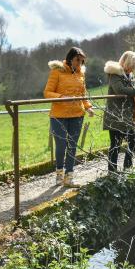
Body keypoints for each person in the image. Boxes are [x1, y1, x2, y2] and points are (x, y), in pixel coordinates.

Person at [44, 47, 95, 188]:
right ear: (70, 58)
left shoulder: (81, 74)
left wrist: (88, 106)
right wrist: (61, 97)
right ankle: (59, 176)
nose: (80, 63)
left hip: (77, 115)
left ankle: (69, 177)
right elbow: (47, 92)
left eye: (82, 61)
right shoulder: (57, 71)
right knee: (61, 145)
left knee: (72, 146)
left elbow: (82, 94)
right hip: (58, 115)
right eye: (78, 60)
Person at [103, 51, 135, 173]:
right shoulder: (115, 74)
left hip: (125, 116)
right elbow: (120, 90)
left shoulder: (127, 75)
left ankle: (125, 169)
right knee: (116, 145)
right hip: (116, 115)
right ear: (128, 62)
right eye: (134, 64)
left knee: (131, 143)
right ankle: (113, 172)